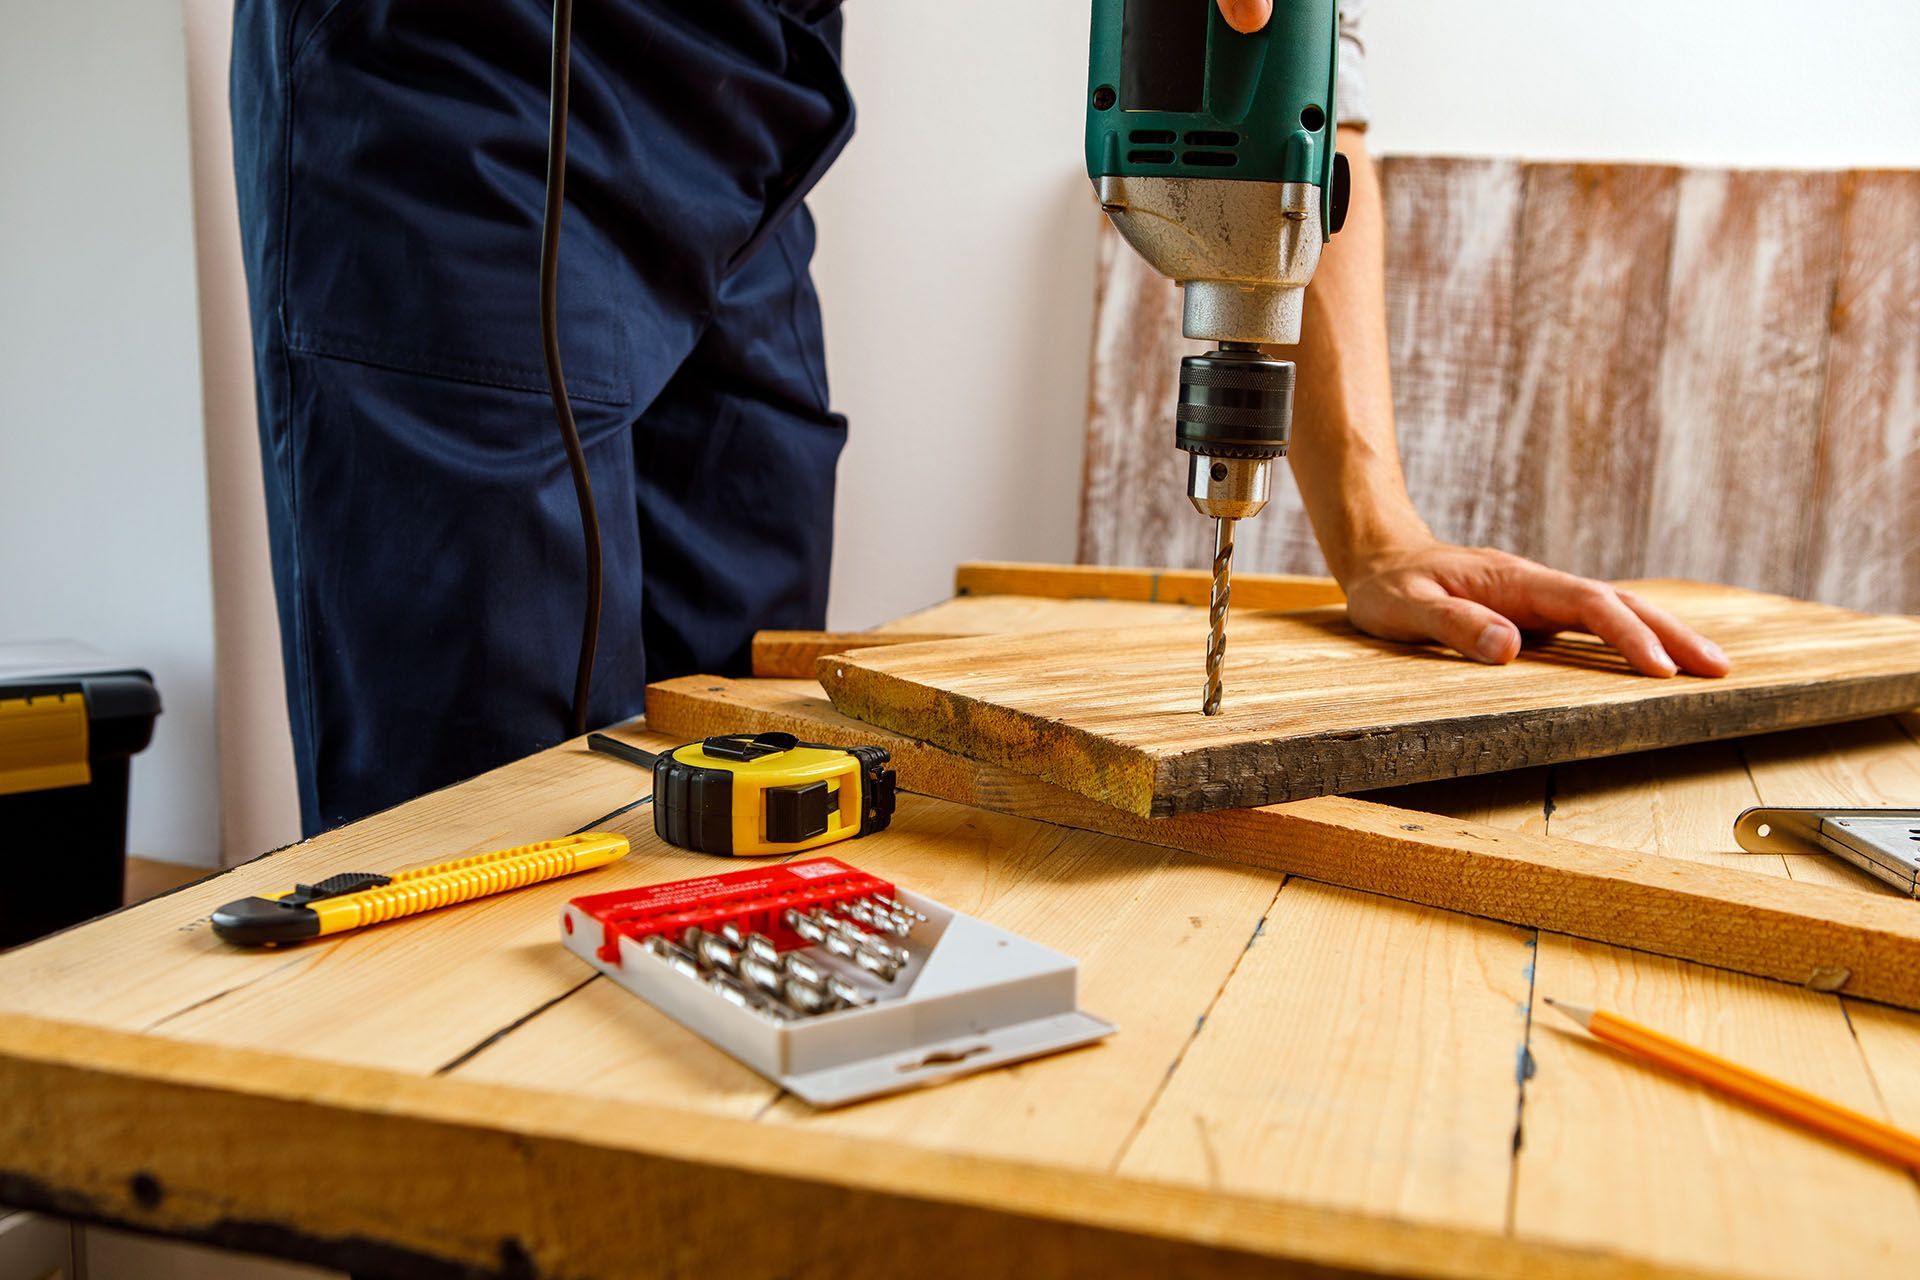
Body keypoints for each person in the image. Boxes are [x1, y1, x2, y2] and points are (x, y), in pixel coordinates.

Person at [231, 0, 1725, 836]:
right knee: (492, 812)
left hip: (745, 97)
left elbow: (1298, 105)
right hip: (470, 72)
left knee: (745, 779)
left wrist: (1375, 530)